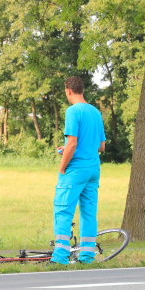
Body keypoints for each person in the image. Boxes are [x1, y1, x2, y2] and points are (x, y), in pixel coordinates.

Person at [51, 76, 106, 265]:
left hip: (76, 169)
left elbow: (72, 143)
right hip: (93, 169)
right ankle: (87, 257)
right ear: (82, 90)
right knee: (88, 213)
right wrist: (67, 149)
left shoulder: (73, 111)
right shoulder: (95, 112)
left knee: (63, 211)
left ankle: (60, 258)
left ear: (68, 91)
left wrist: (62, 166)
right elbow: (101, 146)